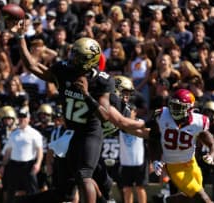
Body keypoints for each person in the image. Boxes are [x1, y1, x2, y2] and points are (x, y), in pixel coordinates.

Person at [18, 34, 147, 202]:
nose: (72, 58)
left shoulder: (101, 81)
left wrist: (86, 94)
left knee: (85, 175)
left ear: (89, 60)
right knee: (65, 189)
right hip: (71, 132)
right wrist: (20, 36)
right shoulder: (64, 70)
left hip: (90, 132)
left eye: (77, 56)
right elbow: (33, 66)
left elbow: (104, 115)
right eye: (73, 53)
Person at [151, 88, 214, 203]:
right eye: (173, 105)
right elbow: (153, 139)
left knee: (192, 196)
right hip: (174, 166)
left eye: (179, 107)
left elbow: (213, 144)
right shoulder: (162, 115)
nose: (174, 110)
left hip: (192, 164)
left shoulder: (198, 122)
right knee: (204, 199)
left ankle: (166, 201)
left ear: (189, 108)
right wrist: (155, 159)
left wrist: (211, 156)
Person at [0, 106, 43, 203]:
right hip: (14, 165)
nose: (21, 119)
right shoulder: (13, 134)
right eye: (20, 117)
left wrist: (38, 164)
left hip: (29, 165)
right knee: (11, 191)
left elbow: (39, 150)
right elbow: (8, 151)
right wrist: (3, 165)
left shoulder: (35, 133)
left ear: (28, 119)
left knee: (32, 192)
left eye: (24, 117)